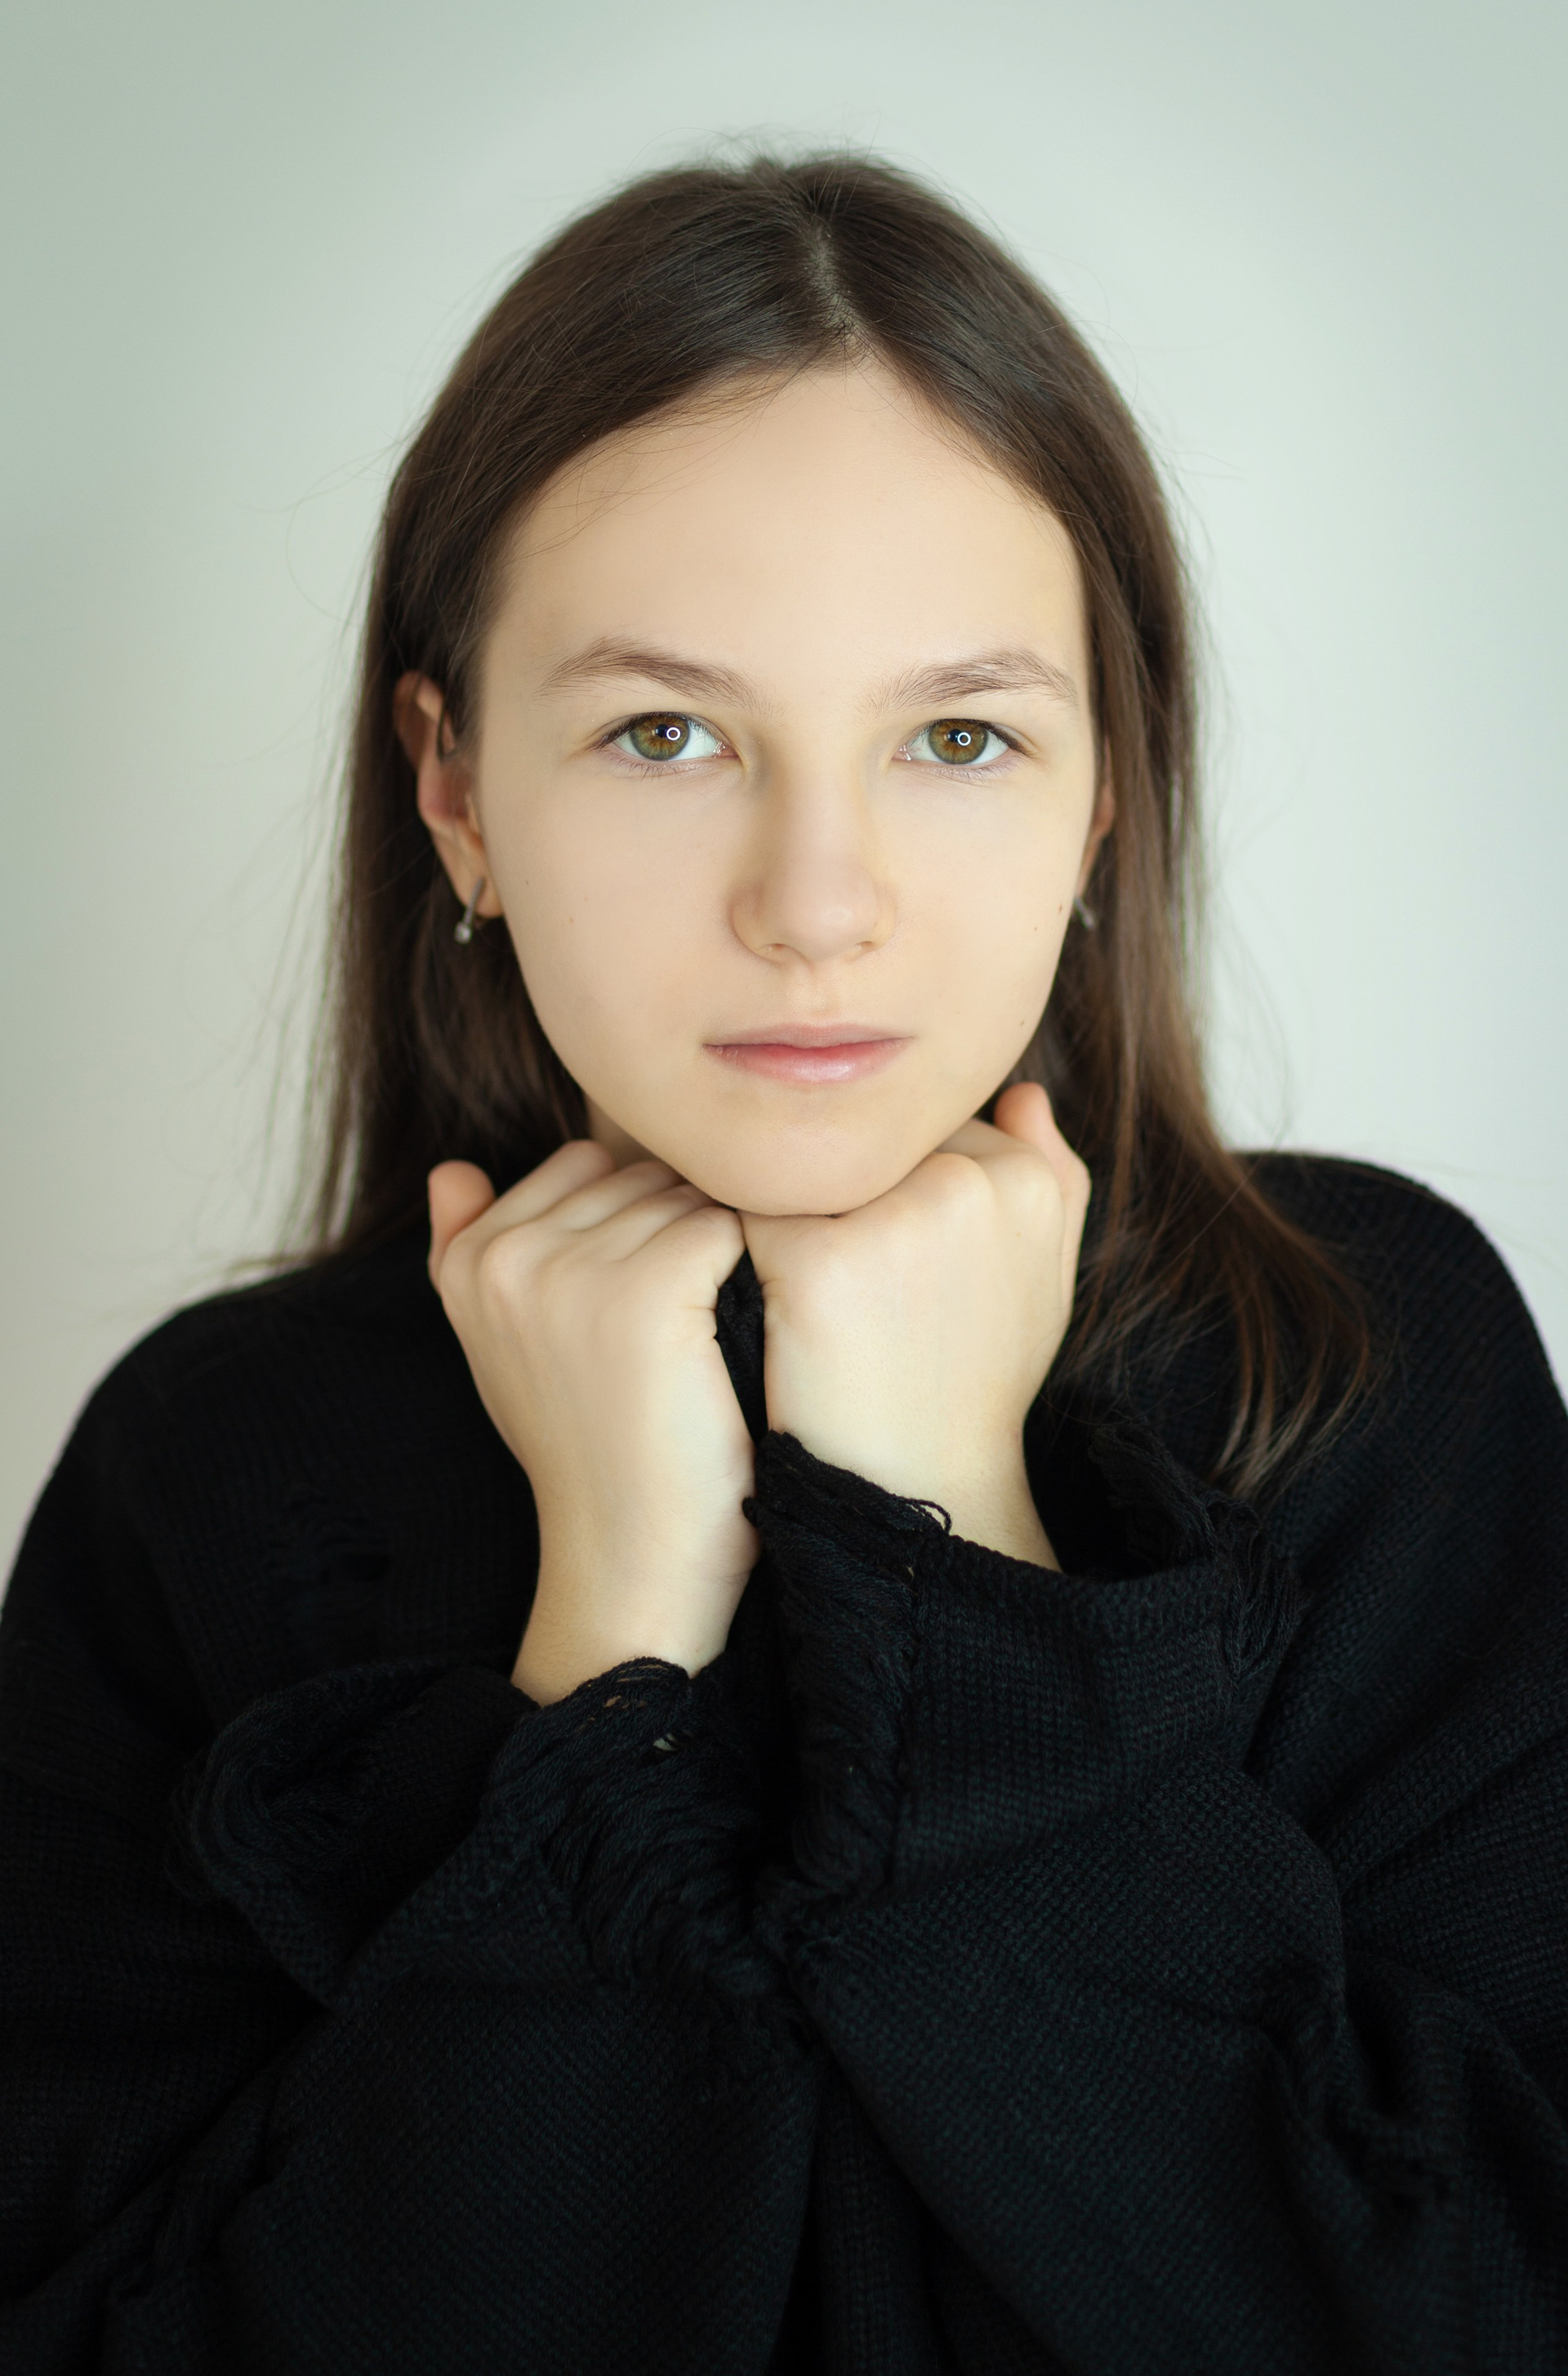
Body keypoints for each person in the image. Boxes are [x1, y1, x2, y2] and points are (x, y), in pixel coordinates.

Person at [2, 154, 1564, 2376]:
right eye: (667, 733)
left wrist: (955, 1547)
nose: (815, 902)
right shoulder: (211, 1465)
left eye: (957, 737)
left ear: (1102, 794)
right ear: (456, 790)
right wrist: (614, 1652)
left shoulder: (1369, 1361)